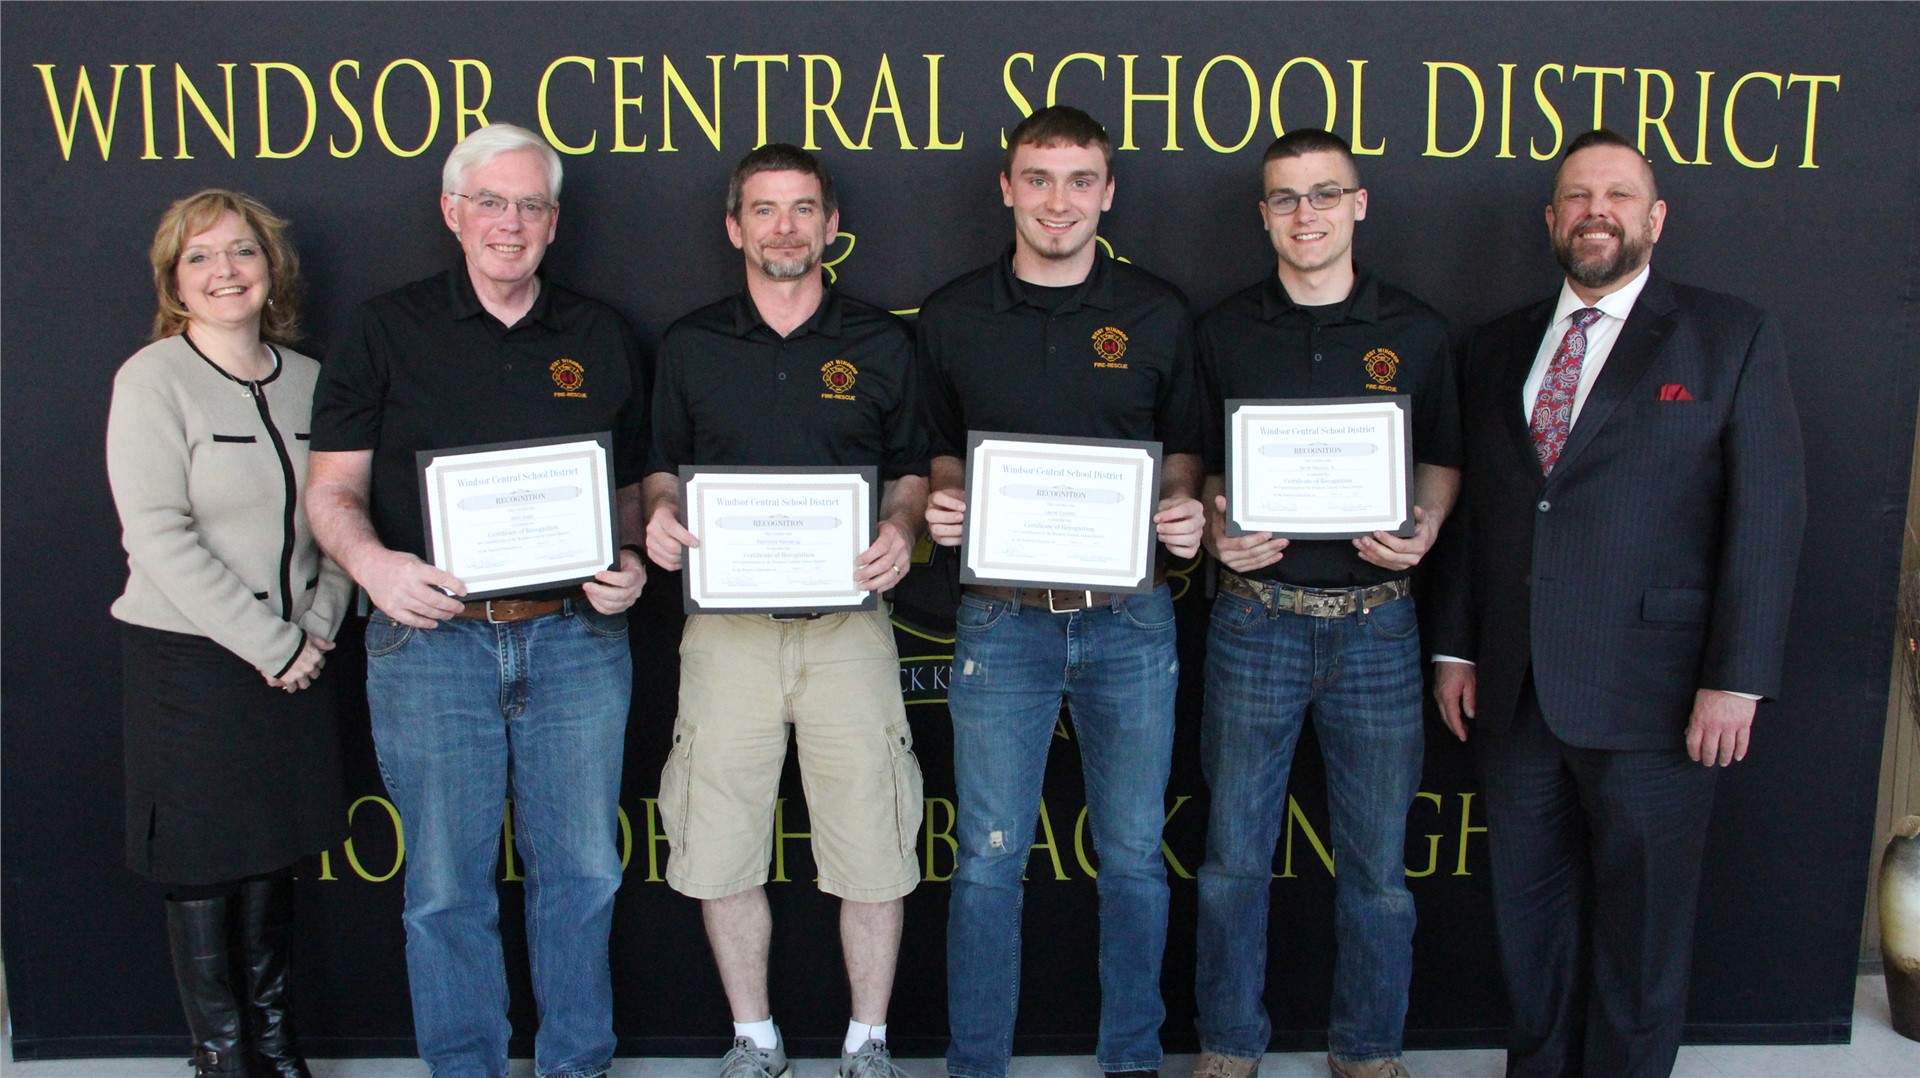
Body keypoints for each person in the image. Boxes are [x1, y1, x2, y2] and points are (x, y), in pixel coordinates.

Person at [1431, 129, 1806, 1077]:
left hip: (1660, 699)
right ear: (1551, 220)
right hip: (1515, 695)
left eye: (1619, 195)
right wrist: (1456, 650)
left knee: (1643, 939)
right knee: (1529, 926)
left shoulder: (1729, 336)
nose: (1597, 211)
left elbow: (1768, 518)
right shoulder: (1496, 345)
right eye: (1577, 197)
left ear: (1655, 218)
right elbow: (1480, 513)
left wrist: (1739, 679)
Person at [306, 123, 649, 1078]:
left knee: (580, 876)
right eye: (491, 202)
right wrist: (375, 568)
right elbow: (330, 491)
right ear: (453, 212)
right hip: (430, 644)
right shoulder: (384, 328)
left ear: (553, 222)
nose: (511, 223)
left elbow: (627, 488)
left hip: (575, 639)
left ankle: (577, 1065)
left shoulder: (599, 332)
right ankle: (467, 1069)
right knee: (446, 889)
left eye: (531, 205)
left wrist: (626, 558)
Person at [917, 105, 1207, 1078]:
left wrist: (1181, 510)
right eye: (1037, 179)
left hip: (1129, 618)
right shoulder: (952, 313)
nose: (1058, 201)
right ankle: (977, 1062)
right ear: (1006, 188)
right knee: (990, 857)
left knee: (1131, 854)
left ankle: (1132, 1057)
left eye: (1080, 180)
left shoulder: (1159, 313)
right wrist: (944, 503)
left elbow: (1186, 458)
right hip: (1001, 619)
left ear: (1108, 192)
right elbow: (931, 459)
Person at [644, 143, 927, 1078]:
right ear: (735, 227)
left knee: (874, 842)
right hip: (725, 635)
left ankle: (868, 1043)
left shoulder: (882, 341)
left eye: (803, 209)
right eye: (764, 210)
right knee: (721, 841)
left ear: (831, 226)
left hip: (848, 631)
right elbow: (658, 470)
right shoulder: (690, 344)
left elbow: (915, 473)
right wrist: (657, 517)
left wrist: (899, 524)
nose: (784, 227)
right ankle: (753, 1038)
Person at [1189, 130, 1461, 1078]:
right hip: (1255, 618)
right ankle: (1227, 1046)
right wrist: (1215, 530)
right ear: (1263, 214)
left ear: (1359, 204)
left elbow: (1441, 459)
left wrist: (1425, 521)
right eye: (1285, 199)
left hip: (1378, 625)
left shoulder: (1418, 331)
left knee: (1379, 873)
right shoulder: (1221, 331)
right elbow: (1196, 468)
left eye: (1323, 194)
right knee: (1231, 862)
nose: (1305, 214)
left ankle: (1369, 1052)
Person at [107, 189, 351, 1077]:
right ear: (175, 280)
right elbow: (157, 535)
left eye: (242, 252)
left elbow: (341, 517)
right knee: (207, 864)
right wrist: (271, 642)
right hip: (192, 664)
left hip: (298, 657)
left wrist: (315, 628)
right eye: (201, 258)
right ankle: (221, 1055)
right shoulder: (152, 379)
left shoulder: (311, 380)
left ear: (271, 268)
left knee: (270, 855)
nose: (225, 272)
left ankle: (276, 1048)